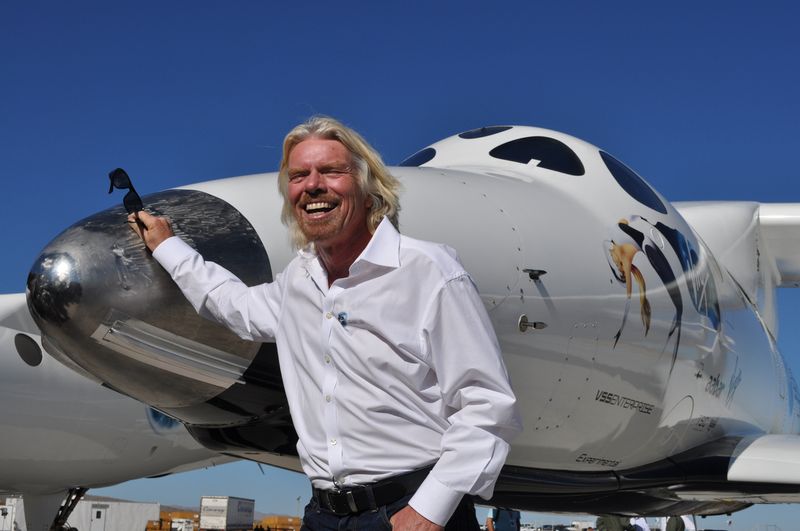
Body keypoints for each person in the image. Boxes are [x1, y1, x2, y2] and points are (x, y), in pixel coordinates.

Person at [130, 116, 521, 530]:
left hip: (412, 510)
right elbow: (232, 305)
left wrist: (430, 509)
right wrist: (168, 247)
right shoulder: (298, 282)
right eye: (299, 176)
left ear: (369, 190)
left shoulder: (429, 271)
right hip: (323, 515)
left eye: (331, 171)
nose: (312, 185)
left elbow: (487, 403)